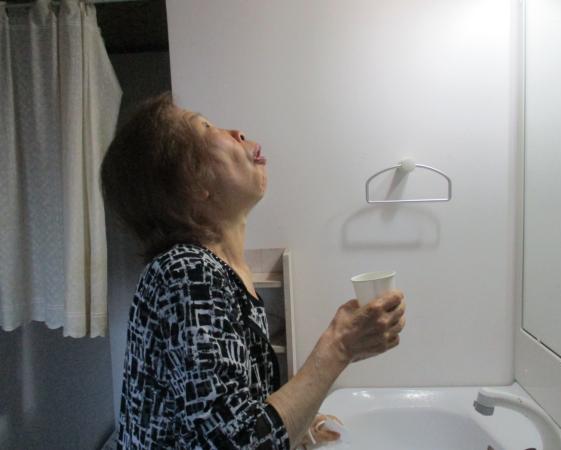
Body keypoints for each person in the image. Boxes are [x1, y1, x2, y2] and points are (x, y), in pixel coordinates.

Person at [100, 92, 406, 449]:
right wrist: (339, 345)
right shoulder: (187, 273)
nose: (238, 133)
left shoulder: (219, 272)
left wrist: (299, 424)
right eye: (207, 128)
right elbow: (236, 443)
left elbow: (234, 415)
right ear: (193, 184)